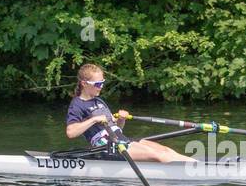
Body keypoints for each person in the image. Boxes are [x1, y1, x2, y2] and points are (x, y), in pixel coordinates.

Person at [65, 64, 194, 163]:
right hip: (107, 147)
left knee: (165, 150)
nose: (101, 87)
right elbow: (70, 132)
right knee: (157, 155)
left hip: (120, 140)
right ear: (84, 83)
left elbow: (116, 128)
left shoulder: (99, 100)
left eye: (103, 83)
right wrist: (93, 120)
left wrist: (121, 120)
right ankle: (193, 172)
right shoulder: (77, 104)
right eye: (97, 84)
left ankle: (198, 165)